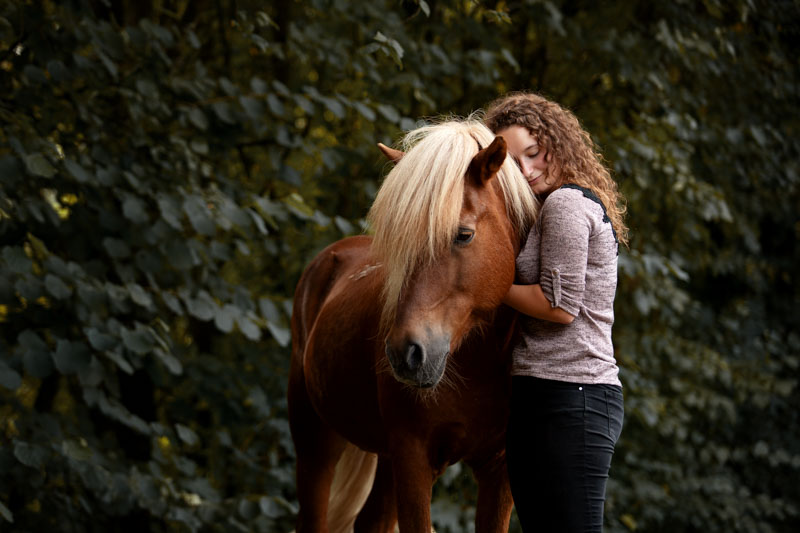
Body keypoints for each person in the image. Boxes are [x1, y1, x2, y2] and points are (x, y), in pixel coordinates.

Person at [484, 92, 629, 532]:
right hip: (538, 394)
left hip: (577, 397)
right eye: (513, 162)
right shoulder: (543, 207)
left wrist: (489, 286)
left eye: (534, 152)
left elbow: (560, 307)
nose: (526, 171)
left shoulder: (567, 203)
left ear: (557, 142)